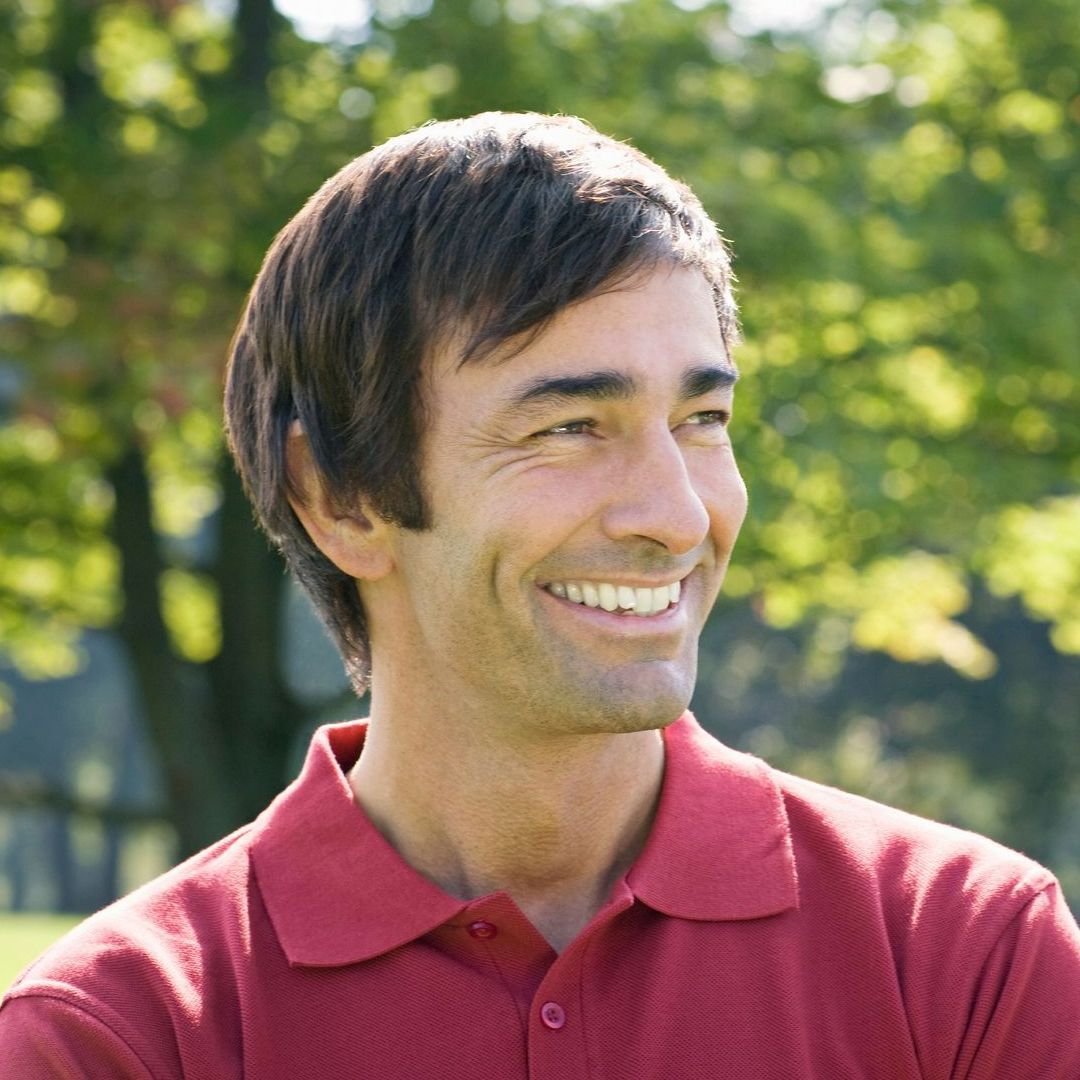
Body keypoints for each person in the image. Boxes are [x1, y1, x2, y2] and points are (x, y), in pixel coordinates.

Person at [1, 111, 1078, 1078]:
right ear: (340, 499)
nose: (676, 513)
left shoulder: (968, 957)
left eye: (702, 421)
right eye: (571, 427)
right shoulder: (116, 1039)